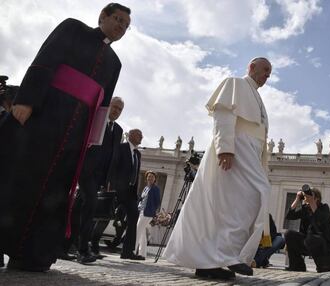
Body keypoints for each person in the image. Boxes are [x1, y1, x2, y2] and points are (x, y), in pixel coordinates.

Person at [0, 3, 131, 272]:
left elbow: (103, 105)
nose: (121, 27)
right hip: (45, 116)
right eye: (118, 19)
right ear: (102, 16)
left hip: (74, 135)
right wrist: (26, 100)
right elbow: (45, 59)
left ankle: (30, 254)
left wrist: (91, 142)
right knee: (19, 176)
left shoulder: (115, 63)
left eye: (126, 26)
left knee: (53, 192)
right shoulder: (73, 28)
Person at [164, 57, 272, 280]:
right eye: (264, 70)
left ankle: (213, 261)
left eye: (269, 73)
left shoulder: (257, 96)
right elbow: (223, 115)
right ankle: (229, 255)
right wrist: (225, 148)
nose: (266, 76)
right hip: (237, 147)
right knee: (255, 193)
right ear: (251, 67)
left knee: (230, 205)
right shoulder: (236, 83)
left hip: (250, 151)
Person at [78, 96, 124, 264]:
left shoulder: (118, 130)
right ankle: (83, 250)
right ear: (108, 105)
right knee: (89, 206)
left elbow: (114, 156)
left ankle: (67, 246)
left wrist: (109, 180)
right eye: (115, 107)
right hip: (86, 171)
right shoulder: (97, 120)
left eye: (120, 109)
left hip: (100, 177)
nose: (117, 111)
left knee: (80, 208)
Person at [284, 187, 330, 272]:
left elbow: (320, 220)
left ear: (317, 199)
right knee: (289, 234)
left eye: (310, 196)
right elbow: (289, 216)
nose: (307, 199)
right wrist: (298, 198)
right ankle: (297, 266)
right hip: (307, 242)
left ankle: (323, 265)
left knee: (311, 238)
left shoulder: (324, 208)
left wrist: (311, 202)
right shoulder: (305, 209)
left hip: (324, 243)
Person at [107, 129, 143, 260]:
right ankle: (91, 245)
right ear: (131, 135)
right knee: (105, 217)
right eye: (140, 135)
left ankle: (127, 251)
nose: (142, 138)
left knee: (134, 217)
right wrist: (110, 185)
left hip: (131, 193)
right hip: (117, 190)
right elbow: (113, 165)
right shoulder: (121, 147)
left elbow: (136, 173)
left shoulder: (138, 154)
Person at [135, 171, 161, 260]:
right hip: (141, 211)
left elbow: (157, 202)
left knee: (137, 231)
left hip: (147, 213)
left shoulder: (155, 189)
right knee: (142, 233)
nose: (150, 178)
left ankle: (133, 251)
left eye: (152, 177)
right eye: (149, 176)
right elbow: (142, 199)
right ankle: (142, 254)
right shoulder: (146, 188)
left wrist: (153, 212)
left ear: (155, 179)